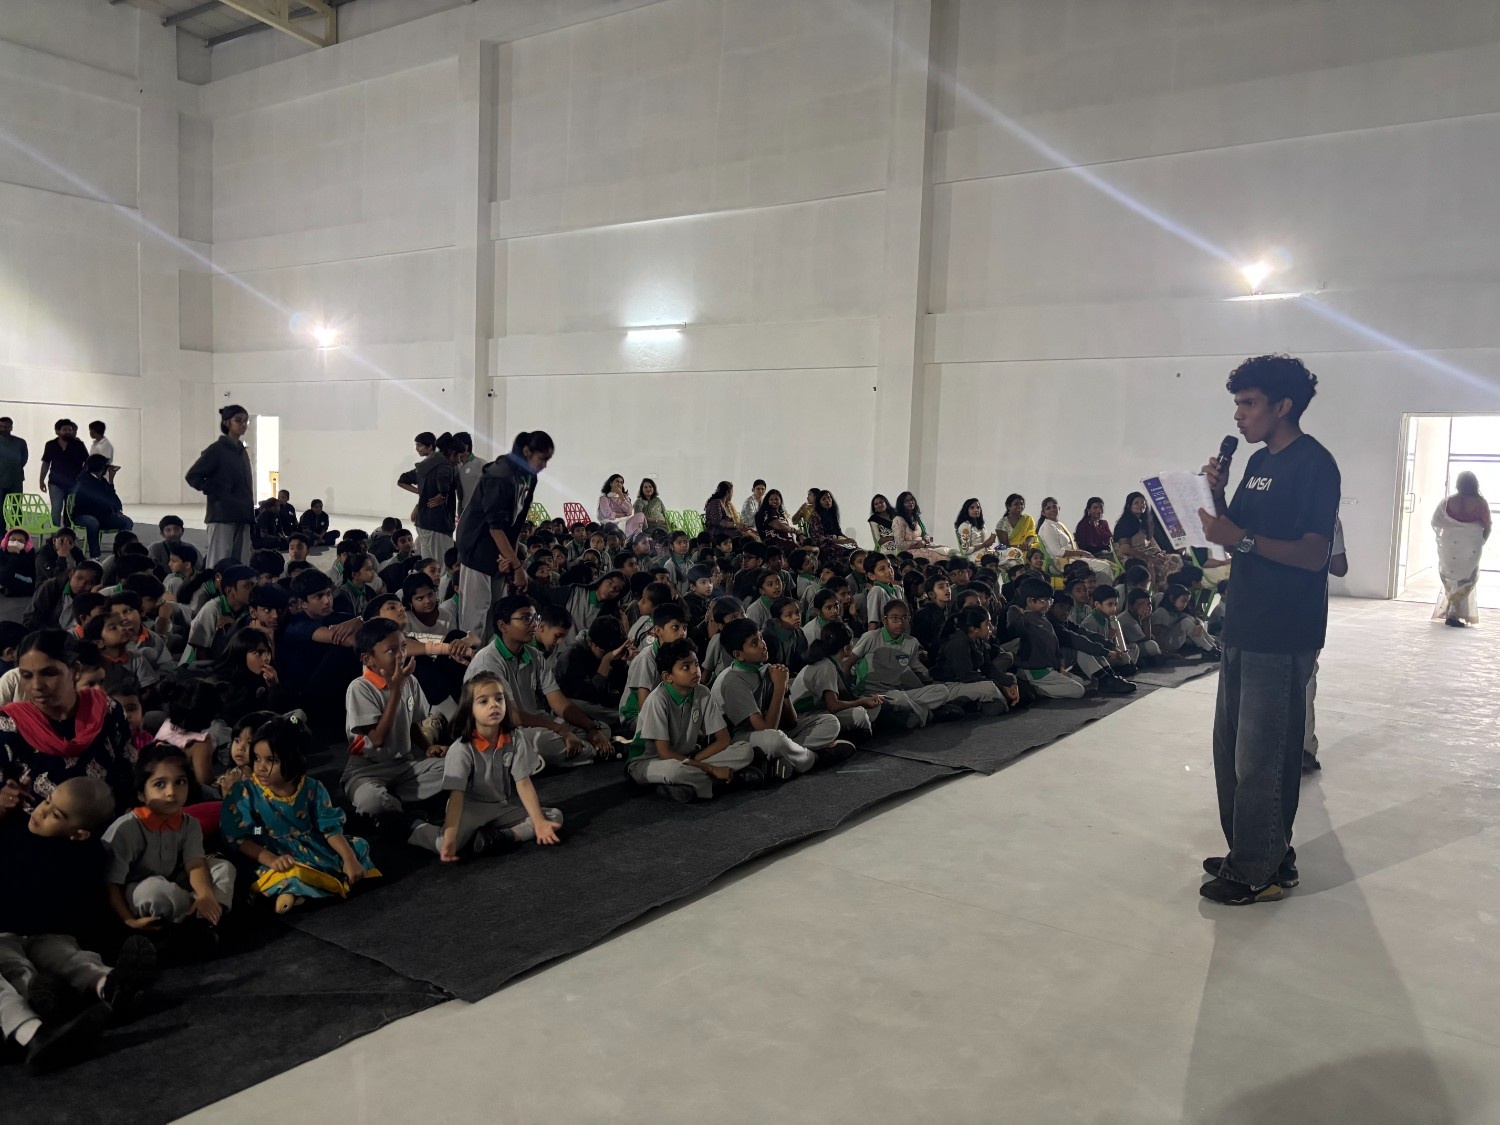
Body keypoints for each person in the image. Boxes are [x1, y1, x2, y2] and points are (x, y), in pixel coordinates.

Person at [1196, 354, 1340, 905]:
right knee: (1232, 752)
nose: (1239, 415)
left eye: (1249, 403)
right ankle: (1260, 851)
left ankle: (1257, 873)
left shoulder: (1314, 464)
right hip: (1243, 622)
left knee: (1263, 757)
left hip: (1282, 630)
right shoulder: (1257, 462)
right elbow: (1233, 535)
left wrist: (1240, 538)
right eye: (1237, 403)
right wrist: (1216, 494)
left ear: (1283, 406)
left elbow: (1314, 553)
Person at [0, 775, 158, 1075]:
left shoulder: (81, 853)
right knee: (16, 971)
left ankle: (111, 986)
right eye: (46, 802)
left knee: (69, 956)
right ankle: (34, 1032)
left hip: (46, 932)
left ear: (79, 833)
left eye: (56, 814)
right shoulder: (11, 827)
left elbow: (83, 903)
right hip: (4, 934)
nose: (42, 811)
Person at [220, 714, 378, 913]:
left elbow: (329, 828)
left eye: (271, 760)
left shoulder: (312, 788)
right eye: (257, 758)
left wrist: (349, 859)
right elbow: (240, 836)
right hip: (267, 848)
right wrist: (271, 857)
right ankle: (292, 891)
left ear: (293, 759)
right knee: (286, 872)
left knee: (358, 847)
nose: (261, 767)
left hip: (311, 845)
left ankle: (306, 890)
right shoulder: (245, 792)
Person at [102, 743, 235, 935]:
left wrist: (205, 894)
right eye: (159, 784)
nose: (171, 792)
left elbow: (195, 864)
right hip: (139, 890)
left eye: (180, 782)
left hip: (175, 879)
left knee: (223, 868)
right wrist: (129, 921)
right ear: (141, 793)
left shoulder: (189, 823)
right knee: (154, 891)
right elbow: (112, 884)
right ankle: (198, 921)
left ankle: (203, 919)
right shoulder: (125, 829)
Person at [0, 630, 137, 811]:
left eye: (49, 673)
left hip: (107, 822)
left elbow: (127, 773)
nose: (36, 686)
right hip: (33, 828)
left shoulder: (106, 710)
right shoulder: (9, 726)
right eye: (27, 676)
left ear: (76, 671)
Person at [343, 618, 448, 840]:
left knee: (457, 766)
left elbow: (412, 723)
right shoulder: (360, 688)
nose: (401, 655)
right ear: (368, 659)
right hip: (368, 770)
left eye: (403, 647)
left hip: (404, 765)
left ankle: (398, 806)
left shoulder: (409, 682)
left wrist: (428, 748)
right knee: (372, 802)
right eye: (391, 650)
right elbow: (378, 739)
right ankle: (405, 812)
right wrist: (396, 691)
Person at [710, 619, 854, 779]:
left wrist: (784, 690)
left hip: (775, 730)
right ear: (739, 655)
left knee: (830, 722)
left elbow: (791, 722)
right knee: (774, 740)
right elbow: (767, 729)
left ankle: (784, 758)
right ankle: (815, 757)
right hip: (744, 738)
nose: (763, 645)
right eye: (754, 643)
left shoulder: (767, 669)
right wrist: (779, 687)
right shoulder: (734, 681)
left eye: (761, 638)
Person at [454, 430, 553, 640]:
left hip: (499, 548)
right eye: (542, 459)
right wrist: (517, 568)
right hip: (477, 547)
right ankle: (472, 658)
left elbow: (516, 525)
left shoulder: (529, 477)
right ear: (527, 452)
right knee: (476, 615)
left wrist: (511, 560)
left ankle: (490, 656)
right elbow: (495, 528)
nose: (545, 465)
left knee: (497, 611)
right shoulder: (500, 475)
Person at [184, 405, 254, 566]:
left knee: (241, 562)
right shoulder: (217, 449)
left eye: (245, 421)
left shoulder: (241, 451)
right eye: (238, 420)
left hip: (242, 514)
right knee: (219, 561)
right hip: (222, 514)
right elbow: (193, 476)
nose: (243, 424)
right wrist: (215, 490)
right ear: (227, 423)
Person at [1431, 471, 1489, 627]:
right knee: (1467, 578)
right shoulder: (1480, 503)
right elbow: (1487, 525)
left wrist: (1448, 535)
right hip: (1471, 546)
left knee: (1451, 577)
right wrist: (1481, 540)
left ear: (1458, 484)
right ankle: (1453, 615)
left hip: (1450, 546)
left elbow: (1435, 521)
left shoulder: (1447, 502)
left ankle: (1452, 612)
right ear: (1474, 484)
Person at [68, 455, 134, 559]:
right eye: (105, 467)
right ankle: (95, 556)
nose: (107, 469)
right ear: (101, 468)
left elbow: (113, 499)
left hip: (102, 516)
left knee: (127, 522)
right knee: (93, 522)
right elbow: (99, 500)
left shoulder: (101, 481)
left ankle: (122, 552)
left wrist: (111, 480)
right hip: (84, 515)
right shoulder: (85, 480)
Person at [1037, 497, 1113, 585]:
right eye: (1048, 508)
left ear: (1059, 508)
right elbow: (1056, 552)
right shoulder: (1048, 527)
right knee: (1104, 567)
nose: (1052, 510)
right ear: (1043, 513)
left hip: (1072, 559)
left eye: (1054, 507)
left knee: (1109, 565)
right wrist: (1081, 552)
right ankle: (1102, 593)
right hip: (1061, 563)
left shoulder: (1057, 524)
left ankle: (1095, 590)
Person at [1113, 492, 1177, 589]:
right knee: (1154, 565)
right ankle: (1156, 591)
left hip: (1149, 554)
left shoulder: (1144, 522)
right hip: (1132, 557)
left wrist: (1158, 553)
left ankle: (1172, 591)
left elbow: (1152, 542)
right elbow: (1124, 549)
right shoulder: (1124, 524)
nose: (1141, 505)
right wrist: (1149, 558)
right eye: (1136, 503)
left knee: (1174, 559)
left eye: (1143, 503)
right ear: (1129, 506)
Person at [39, 420, 88, 530]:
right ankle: (54, 534)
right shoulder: (50, 445)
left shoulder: (79, 445)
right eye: (65, 429)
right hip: (55, 483)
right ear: (57, 431)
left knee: (70, 510)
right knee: (56, 508)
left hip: (74, 482)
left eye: (70, 430)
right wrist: (41, 480)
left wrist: (82, 475)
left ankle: (68, 533)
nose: (68, 432)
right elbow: (46, 463)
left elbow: (87, 462)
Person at [891, 492, 951, 563]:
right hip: (909, 552)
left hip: (923, 546)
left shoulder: (915, 518)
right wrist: (918, 544)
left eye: (912, 499)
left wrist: (924, 541)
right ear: (901, 504)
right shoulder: (898, 520)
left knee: (950, 551)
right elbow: (900, 544)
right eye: (906, 501)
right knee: (945, 558)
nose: (911, 502)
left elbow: (925, 534)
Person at [0, 416, 27, 510]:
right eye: (1, 427)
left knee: (16, 508)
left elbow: (24, 459)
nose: (4, 429)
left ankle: (16, 522)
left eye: (6, 427)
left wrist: (14, 467)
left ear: (11, 427)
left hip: (16, 480)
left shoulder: (20, 442)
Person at [87, 421, 118, 485]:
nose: (89, 432)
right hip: (93, 476)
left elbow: (103, 462)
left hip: (101, 477)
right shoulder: (95, 444)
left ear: (94, 431)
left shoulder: (106, 445)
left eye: (90, 430)